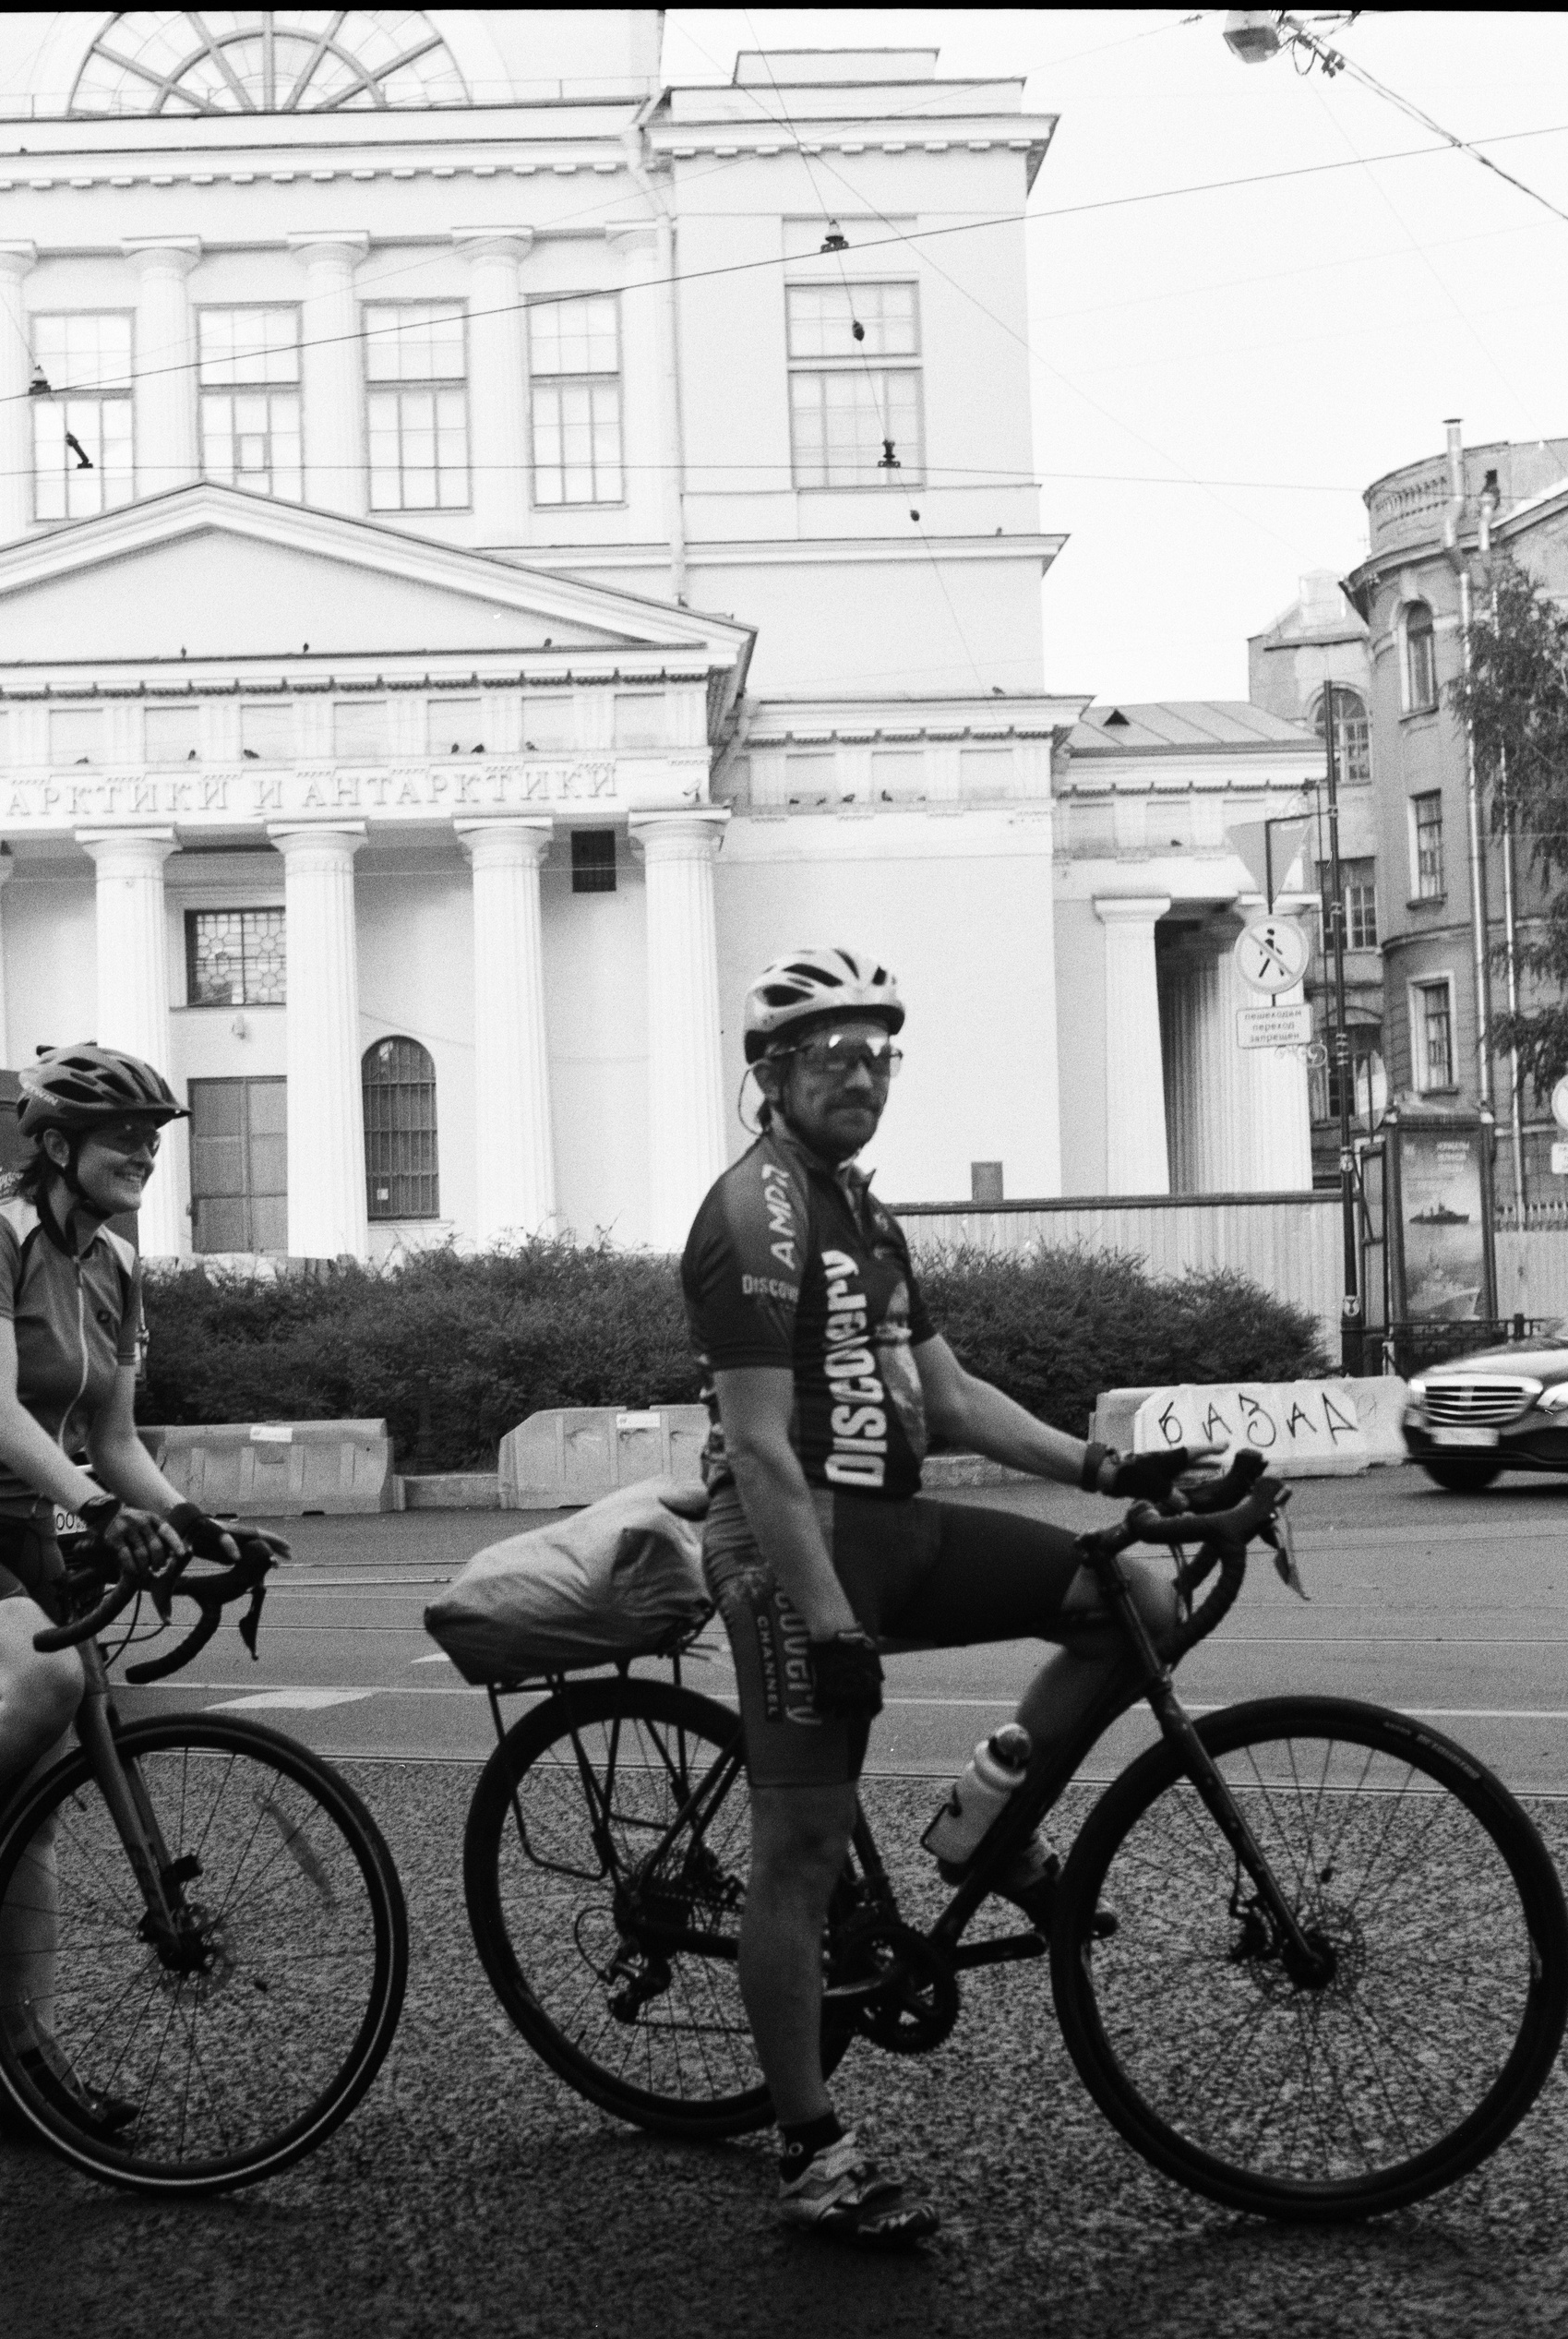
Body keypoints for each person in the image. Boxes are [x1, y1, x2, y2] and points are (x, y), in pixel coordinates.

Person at [680, 948, 1200, 2251]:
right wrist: (832, 1621)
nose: (859, 1076)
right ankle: (809, 2145)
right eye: (830, 1055)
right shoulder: (750, 1215)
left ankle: (983, 1815)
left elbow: (954, 1400)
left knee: (1137, 1592)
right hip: (791, 1546)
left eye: (877, 1055)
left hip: (891, 1524)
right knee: (798, 1850)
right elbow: (757, 1449)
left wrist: (1106, 1464)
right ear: (772, 1073)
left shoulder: (865, 1210)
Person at [0, 1044, 284, 2026]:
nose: (144, 1154)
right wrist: (98, 1510)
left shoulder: (120, 1264)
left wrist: (198, 1527)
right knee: (45, 1685)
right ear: (54, 1145)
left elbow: (115, 1440)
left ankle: (29, 2069)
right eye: (123, 1138)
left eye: (153, 1140)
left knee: (30, 1819)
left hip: (27, 1535)